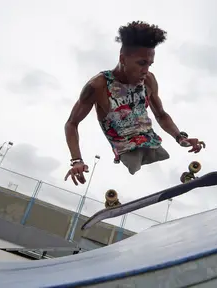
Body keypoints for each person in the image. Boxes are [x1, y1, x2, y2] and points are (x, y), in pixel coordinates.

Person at [64, 21, 205, 186]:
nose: (145, 71)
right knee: (135, 168)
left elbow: (161, 115)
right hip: (126, 150)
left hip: (151, 143)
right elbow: (71, 123)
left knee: (160, 164)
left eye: (149, 64)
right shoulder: (99, 85)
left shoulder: (149, 80)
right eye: (141, 63)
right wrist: (76, 160)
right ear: (123, 59)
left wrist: (180, 137)